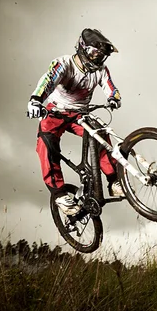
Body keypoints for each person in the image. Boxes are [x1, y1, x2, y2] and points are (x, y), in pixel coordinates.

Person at [27, 28, 123, 216]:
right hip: (56, 111)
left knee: (100, 135)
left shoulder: (101, 71)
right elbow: (48, 81)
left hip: (80, 114)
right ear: (82, 47)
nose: (97, 58)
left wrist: (114, 98)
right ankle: (60, 194)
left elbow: (110, 87)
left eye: (101, 55)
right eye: (94, 53)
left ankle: (114, 181)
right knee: (46, 141)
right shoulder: (64, 64)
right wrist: (35, 100)